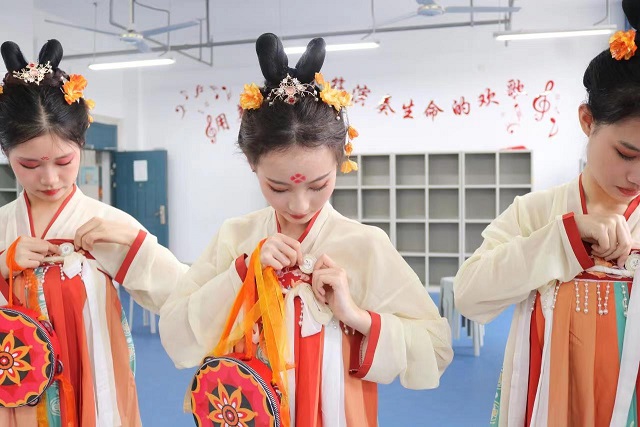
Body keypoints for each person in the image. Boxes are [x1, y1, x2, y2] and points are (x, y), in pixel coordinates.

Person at [159, 33, 452, 426]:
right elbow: (175, 333)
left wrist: (356, 315)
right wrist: (242, 274)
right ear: (252, 164)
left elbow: (435, 346)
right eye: (278, 188)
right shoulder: (236, 237)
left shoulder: (364, 245)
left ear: (341, 161)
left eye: (318, 186)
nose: (299, 206)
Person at [454, 1, 640, 425]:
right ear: (587, 121)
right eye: (626, 153)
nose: (636, 176)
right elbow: (469, 295)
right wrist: (564, 237)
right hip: (549, 404)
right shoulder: (537, 212)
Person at [0, 39, 188, 426]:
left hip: (93, 389)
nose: (50, 179)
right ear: (6, 154)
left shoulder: (106, 224)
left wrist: (136, 244)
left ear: (81, 145)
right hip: (15, 389)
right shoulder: (4, 225)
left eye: (64, 161)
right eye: (30, 165)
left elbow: (184, 293)